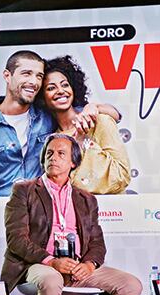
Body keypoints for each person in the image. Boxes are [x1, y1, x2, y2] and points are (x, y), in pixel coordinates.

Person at [2, 133, 142, 295]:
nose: (53, 158)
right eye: (49, 153)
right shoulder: (24, 191)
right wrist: (51, 260)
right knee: (51, 279)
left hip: (76, 266)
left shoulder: (86, 199)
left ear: (73, 162)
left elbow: (97, 243)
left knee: (131, 285)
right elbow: (16, 240)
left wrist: (88, 264)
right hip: (37, 265)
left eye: (60, 154)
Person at [0, 50, 123, 197]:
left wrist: (94, 107)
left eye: (38, 76)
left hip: (39, 205)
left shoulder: (45, 117)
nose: (33, 81)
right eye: (26, 73)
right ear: (7, 75)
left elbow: (113, 114)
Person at [38, 55, 131, 194]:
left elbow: (122, 175)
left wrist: (86, 143)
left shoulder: (100, 121)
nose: (61, 91)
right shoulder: (51, 141)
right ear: (42, 97)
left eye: (65, 85)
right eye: (51, 88)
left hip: (111, 206)